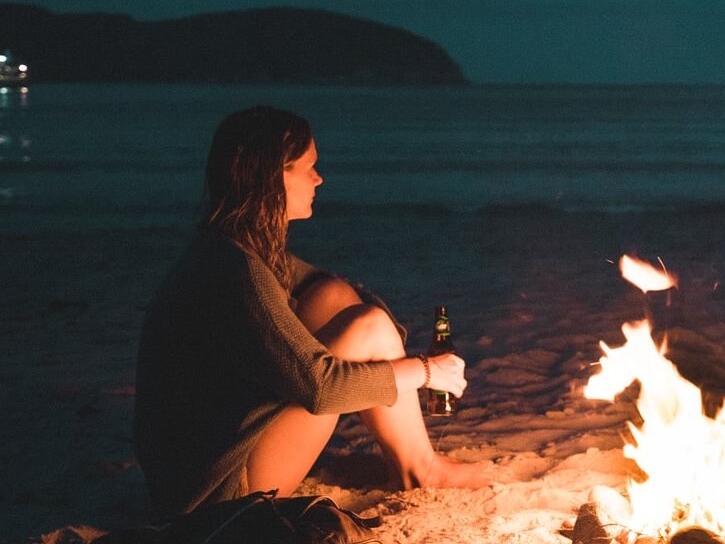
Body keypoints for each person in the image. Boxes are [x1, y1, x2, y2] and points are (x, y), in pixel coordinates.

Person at [135, 106, 489, 520]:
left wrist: (388, 342)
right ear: (273, 176)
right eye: (308, 168)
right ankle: (421, 468)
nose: (319, 179)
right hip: (217, 496)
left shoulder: (234, 248)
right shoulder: (237, 271)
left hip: (197, 468)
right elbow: (322, 389)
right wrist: (427, 371)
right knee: (369, 328)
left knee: (333, 296)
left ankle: (418, 462)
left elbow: (342, 294)